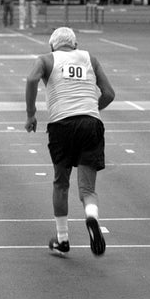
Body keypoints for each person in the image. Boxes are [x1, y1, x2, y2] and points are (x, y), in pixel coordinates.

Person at [24, 27, 115, 256]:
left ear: (52, 45)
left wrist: (31, 113)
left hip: (61, 124)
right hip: (90, 123)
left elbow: (31, 79)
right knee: (87, 188)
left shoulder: (46, 59)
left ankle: (63, 238)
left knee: (61, 183)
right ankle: (91, 216)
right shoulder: (89, 58)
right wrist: (92, 108)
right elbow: (109, 93)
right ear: (75, 44)